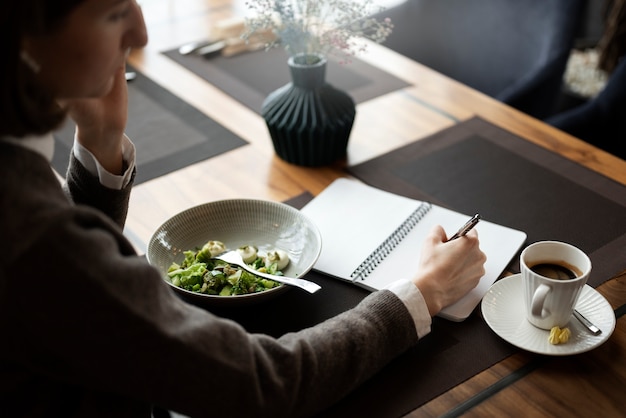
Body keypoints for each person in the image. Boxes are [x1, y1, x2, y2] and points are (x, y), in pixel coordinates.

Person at [0, 1, 486, 417]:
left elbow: (74, 304)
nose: (141, 31)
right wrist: (425, 292)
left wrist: (101, 142)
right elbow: (267, 383)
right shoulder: (31, 237)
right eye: (112, 12)